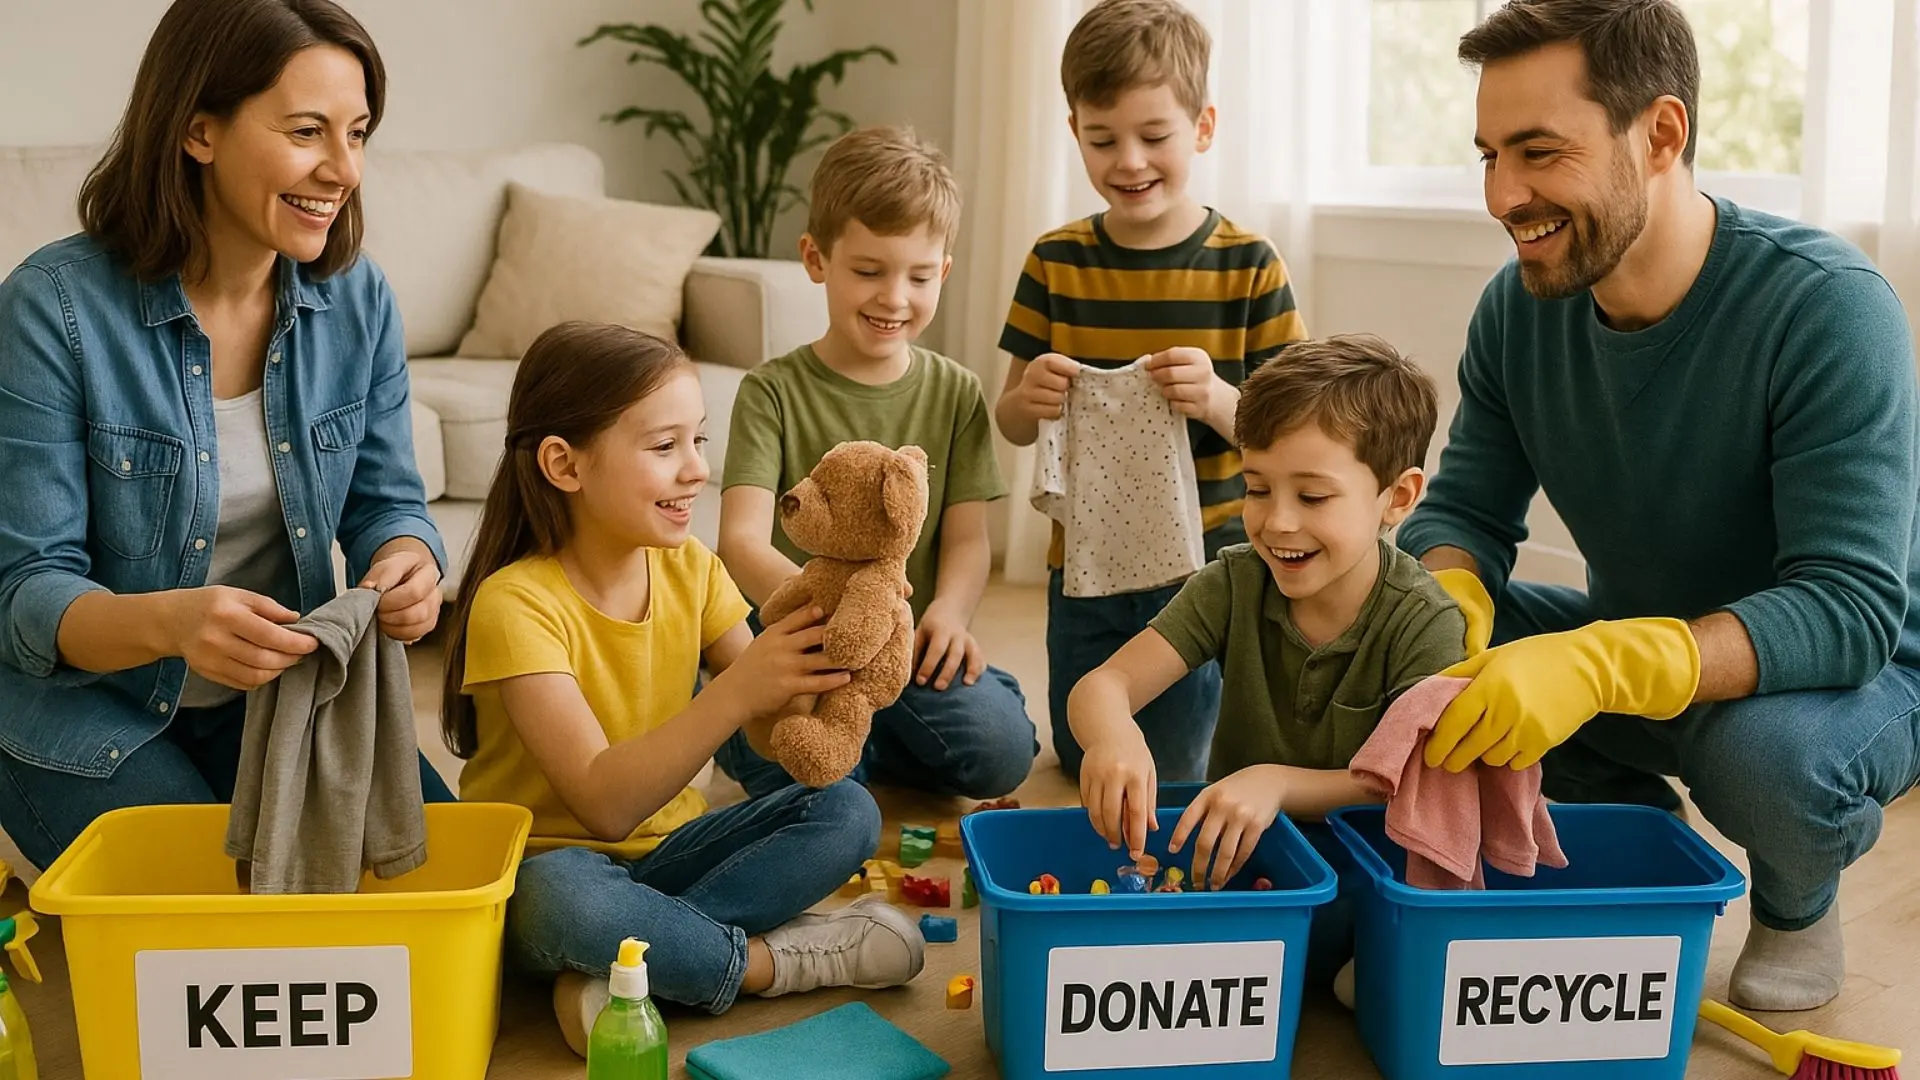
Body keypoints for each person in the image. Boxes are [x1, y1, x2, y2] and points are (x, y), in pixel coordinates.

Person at [1397, 0, 1920, 1012]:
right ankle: (1623, 835)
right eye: (1490, 156)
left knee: (1760, 752)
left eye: (1540, 152)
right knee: (1387, 624)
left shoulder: (1828, 308)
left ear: (1662, 134)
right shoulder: (1519, 308)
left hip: (1849, 684)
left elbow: (1850, 611)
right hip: (1646, 645)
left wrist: (1598, 663)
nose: (1505, 195)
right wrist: (1450, 618)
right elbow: (1461, 511)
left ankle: (1797, 899)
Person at [0, 0, 454, 870]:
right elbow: (27, 594)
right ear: (199, 130)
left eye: (357, 134)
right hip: (87, 711)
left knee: (434, 877)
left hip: (280, 699)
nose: (342, 169)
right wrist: (174, 623)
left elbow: (388, 501)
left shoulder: (356, 300)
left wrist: (409, 559)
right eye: (307, 131)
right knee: (234, 922)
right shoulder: (51, 309)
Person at [442, 323, 924, 1055]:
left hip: (673, 853)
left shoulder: (691, 568)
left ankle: (631, 963)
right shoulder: (515, 604)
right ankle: (765, 964)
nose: (697, 470)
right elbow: (603, 806)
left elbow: (775, 730)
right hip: (550, 864)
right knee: (561, 900)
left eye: (698, 441)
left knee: (847, 808)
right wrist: (735, 694)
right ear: (564, 465)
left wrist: (843, 655)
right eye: (665, 447)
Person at [1070, 335, 1465, 992]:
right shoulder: (1234, 582)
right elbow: (1104, 684)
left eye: (1312, 498)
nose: (1278, 522)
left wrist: (1277, 782)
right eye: (1258, 488)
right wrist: (1112, 736)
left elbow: (1409, 779)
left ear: (1396, 499)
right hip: (1240, 839)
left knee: (1309, 940)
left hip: (1372, 855)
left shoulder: (1425, 619)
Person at [994, 0, 1308, 783]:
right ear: (1075, 134)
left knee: (1168, 770)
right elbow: (1009, 420)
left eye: (1153, 137)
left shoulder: (1249, 264)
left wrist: (1215, 398)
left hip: (1204, 573)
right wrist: (1028, 397)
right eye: (1103, 140)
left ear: (1202, 127)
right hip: (1086, 566)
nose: (1129, 161)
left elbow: (1298, 433)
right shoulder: (1055, 261)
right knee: (1079, 752)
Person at [715, 125, 1038, 800]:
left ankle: (877, 734)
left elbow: (968, 540)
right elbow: (740, 540)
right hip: (797, 645)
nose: (895, 297)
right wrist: (823, 614)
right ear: (815, 258)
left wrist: (948, 614)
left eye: (919, 276)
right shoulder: (771, 391)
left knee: (1003, 752)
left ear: (943, 271)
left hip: (903, 649)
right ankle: (772, 723)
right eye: (868, 271)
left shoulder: (955, 392)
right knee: (811, 784)